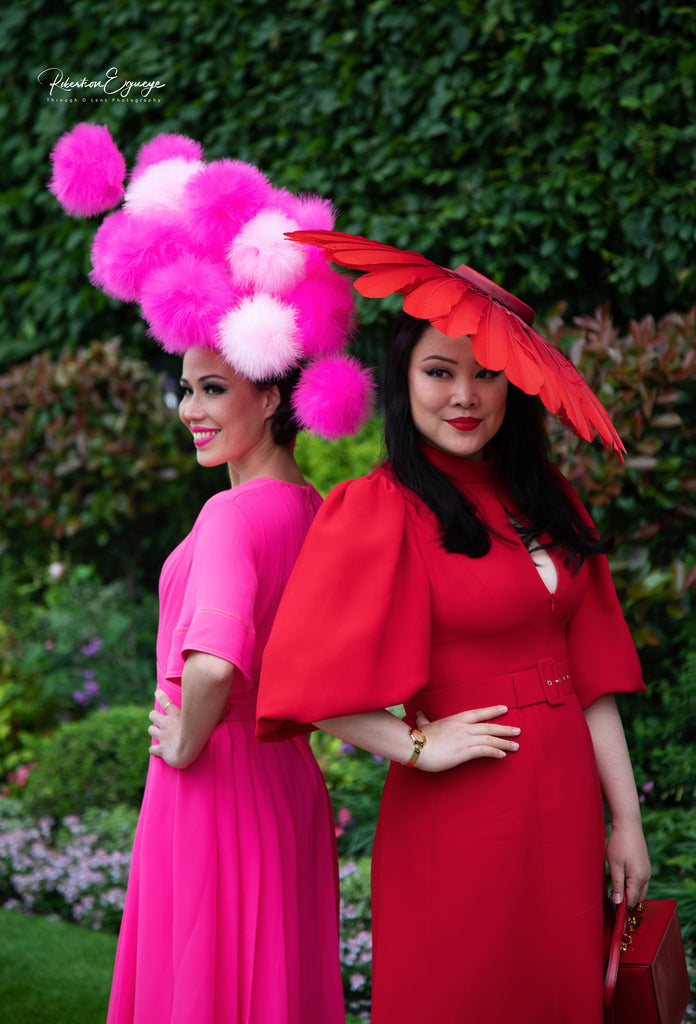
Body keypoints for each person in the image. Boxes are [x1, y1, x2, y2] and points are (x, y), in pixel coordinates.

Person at [256, 232, 651, 1024]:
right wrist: (417, 745)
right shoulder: (376, 508)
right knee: (459, 995)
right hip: (459, 817)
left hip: (563, 805)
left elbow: (595, 678)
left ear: (515, 388)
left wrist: (627, 824)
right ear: (405, 381)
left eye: (486, 374)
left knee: (559, 998)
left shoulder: (554, 501)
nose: (464, 395)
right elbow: (298, 685)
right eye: (439, 372)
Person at [48, 126, 375, 1024]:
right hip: (284, 784)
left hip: (213, 782)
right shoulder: (312, 509)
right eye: (184, 388)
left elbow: (215, 663)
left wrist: (187, 739)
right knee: (273, 982)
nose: (190, 409)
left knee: (200, 986)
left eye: (213, 388)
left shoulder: (229, 516)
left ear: (271, 391)